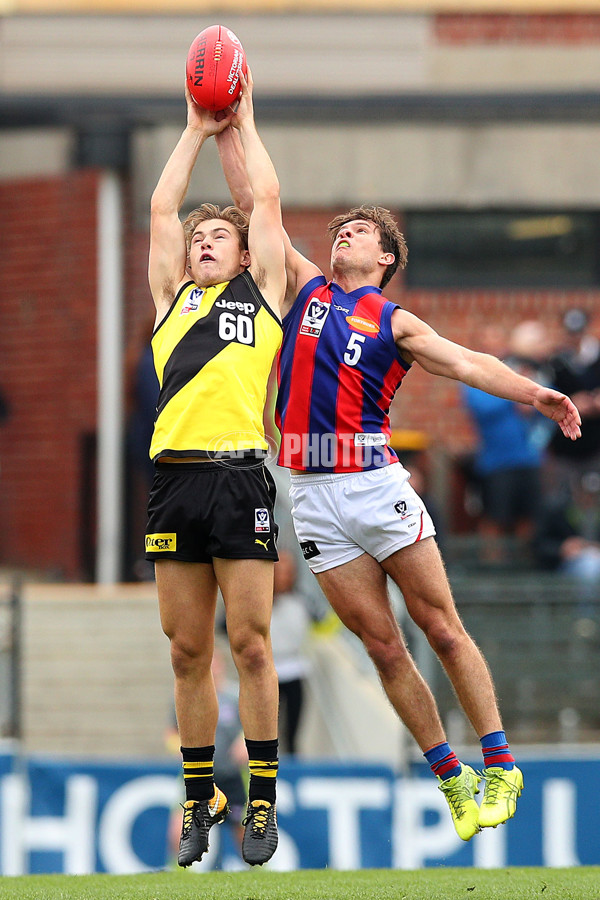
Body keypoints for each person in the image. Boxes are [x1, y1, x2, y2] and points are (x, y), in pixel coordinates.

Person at [216, 126, 582, 841]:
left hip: (374, 483)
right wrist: (234, 118)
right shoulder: (305, 289)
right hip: (313, 496)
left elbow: (470, 363)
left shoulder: (395, 320)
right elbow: (255, 198)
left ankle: (499, 760)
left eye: (358, 232)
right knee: (383, 646)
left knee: (439, 626)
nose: (342, 236)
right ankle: (451, 776)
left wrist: (534, 391)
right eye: (340, 229)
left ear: (385, 257)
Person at [145, 71, 285, 867]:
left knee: (252, 644)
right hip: (176, 480)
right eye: (199, 238)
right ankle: (201, 798)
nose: (203, 240)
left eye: (216, 236)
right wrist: (195, 128)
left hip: (239, 478)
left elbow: (264, 202)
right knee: (186, 652)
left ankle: (259, 798)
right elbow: (162, 210)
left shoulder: (260, 297)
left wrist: (246, 119)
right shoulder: (171, 302)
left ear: (241, 255)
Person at [462, 321, 551, 566]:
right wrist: (516, 393)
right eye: (486, 342)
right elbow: (482, 406)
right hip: (495, 463)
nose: (493, 347)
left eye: (496, 340)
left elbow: (548, 398)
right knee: (494, 519)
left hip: (529, 459)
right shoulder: (472, 376)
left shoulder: (524, 371)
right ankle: (494, 570)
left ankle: (527, 567)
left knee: (530, 519)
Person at [271, 549, 312, 755]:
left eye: (288, 571)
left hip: (294, 670)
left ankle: (293, 766)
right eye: (279, 571)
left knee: (293, 729)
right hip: (268, 670)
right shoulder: (261, 601)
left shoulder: (300, 602)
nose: (284, 576)